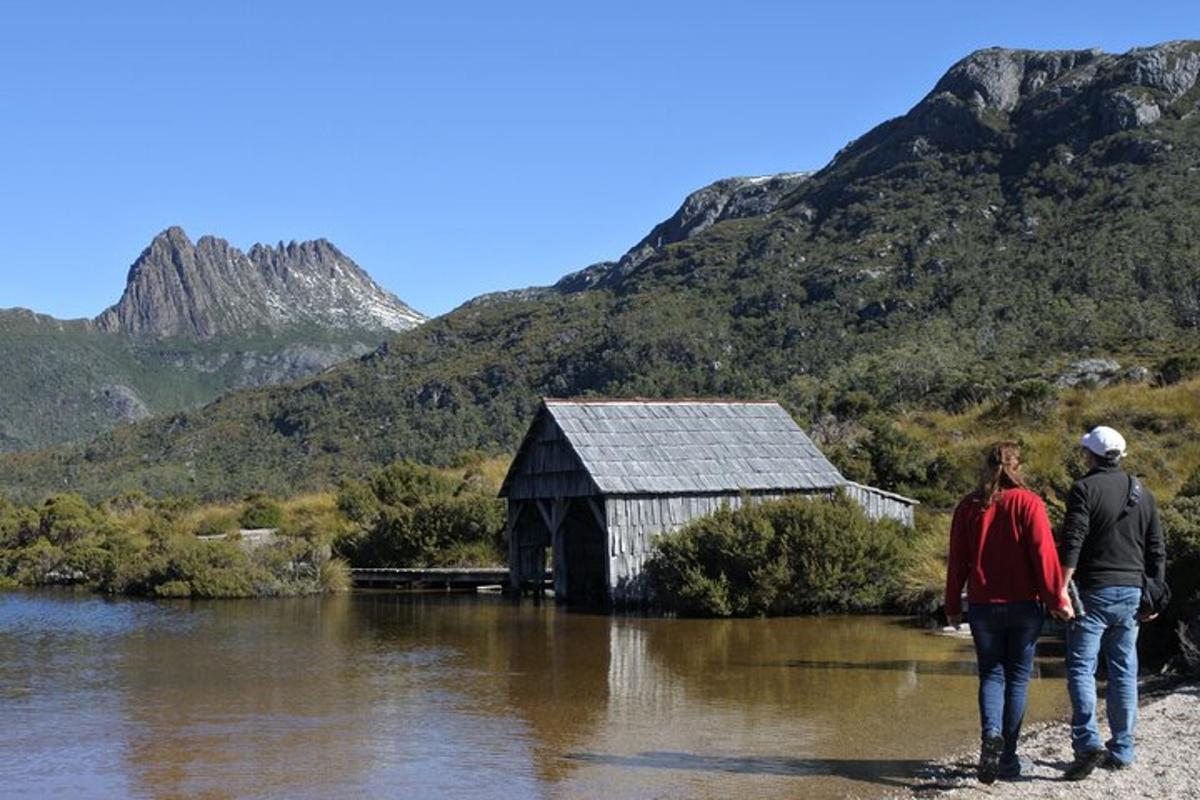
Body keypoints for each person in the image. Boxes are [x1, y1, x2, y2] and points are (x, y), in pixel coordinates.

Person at [945, 442, 1071, 784]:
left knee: (991, 675)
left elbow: (957, 560)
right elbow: (1044, 555)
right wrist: (1057, 600)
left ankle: (990, 736)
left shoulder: (968, 507)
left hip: (984, 606)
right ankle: (1008, 760)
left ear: (986, 467)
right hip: (1024, 606)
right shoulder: (1029, 503)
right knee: (1017, 678)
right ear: (1018, 467)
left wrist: (953, 605)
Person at [1058, 425, 1166, 780]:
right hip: (1132, 593)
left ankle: (1087, 743)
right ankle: (1122, 748)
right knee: (1123, 670)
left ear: (1091, 455)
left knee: (1081, 668)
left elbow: (1073, 540)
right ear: (1119, 456)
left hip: (1092, 593)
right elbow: (1156, 550)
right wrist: (1155, 594)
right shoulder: (1143, 493)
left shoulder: (1084, 489)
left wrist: (1061, 584)